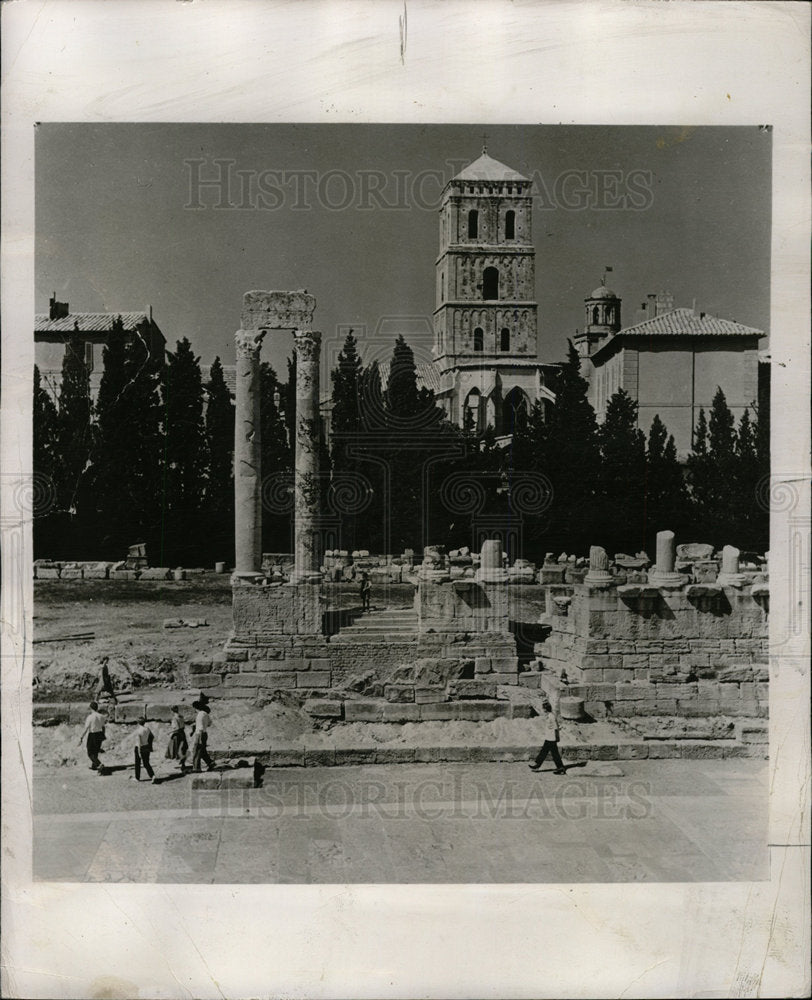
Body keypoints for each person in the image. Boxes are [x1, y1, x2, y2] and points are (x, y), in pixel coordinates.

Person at [529, 700, 567, 774]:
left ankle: (560, 768)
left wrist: (557, 738)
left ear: (546, 709)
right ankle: (537, 765)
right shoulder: (549, 716)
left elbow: (556, 728)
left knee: (554, 753)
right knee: (544, 751)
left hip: (552, 739)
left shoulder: (552, 717)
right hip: (548, 737)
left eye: (543, 709)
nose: (543, 710)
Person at [78, 701, 106, 773]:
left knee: (90, 752)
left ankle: (99, 764)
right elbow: (103, 727)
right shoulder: (101, 716)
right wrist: (103, 735)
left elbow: (86, 728)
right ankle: (94, 766)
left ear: (91, 708)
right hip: (99, 734)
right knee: (96, 750)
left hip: (92, 734)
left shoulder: (90, 717)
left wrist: (81, 737)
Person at [190, 699, 214, 772]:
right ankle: (210, 763)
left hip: (200, 734)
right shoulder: (205, 714)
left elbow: (200, 727)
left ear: (195, 707)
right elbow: (210, 723)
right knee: (202, 751)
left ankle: (196, 768)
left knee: (196, 751)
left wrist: (199, 737)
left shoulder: (200, 714)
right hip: (204, 733)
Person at [165, 704, 189, 772]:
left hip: (177, 735)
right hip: (182, 733)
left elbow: (177, 728)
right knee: (182, 748)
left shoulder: (174, 718)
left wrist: (169, 732)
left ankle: (181, 762)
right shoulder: (181, 716)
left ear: (172, 711)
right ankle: (183, 764)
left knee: (175, 748)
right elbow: (183, 727)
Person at [133, 716, 157, 782]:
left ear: (138, 723)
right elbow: (152, 736)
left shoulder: (138, 731)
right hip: (146, 747)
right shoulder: (147, 729)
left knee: (137, 763)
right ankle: (152, 775)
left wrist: (139, 752)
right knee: (146, 763)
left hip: (140, 747)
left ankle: (137, 777)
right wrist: (150, 745)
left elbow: (139, 743)